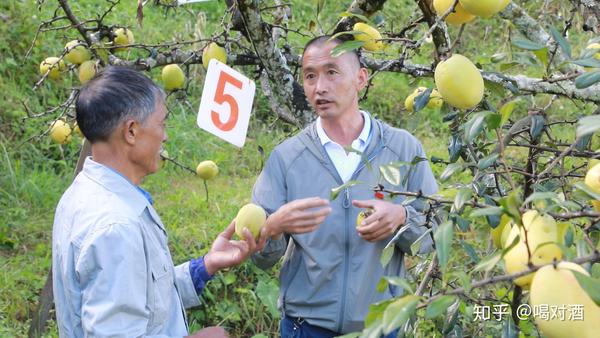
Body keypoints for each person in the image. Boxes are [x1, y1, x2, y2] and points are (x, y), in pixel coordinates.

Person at [52, 66, 262, 337]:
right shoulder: (116, 227)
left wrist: (206, 265)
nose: (165, 136)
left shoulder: (84, 194)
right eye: (161, 124)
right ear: (131, 131)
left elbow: (142, 295)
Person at [251, 36, 439, 337]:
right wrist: (272, 228)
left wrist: (402, 218)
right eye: (310, 76)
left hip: (381, 328)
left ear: (360, 78)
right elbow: (261, 257)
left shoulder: (402, 148)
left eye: (332, 72)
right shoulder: (286, 159)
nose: (319, 87)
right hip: (306, 328)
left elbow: (435, 230)